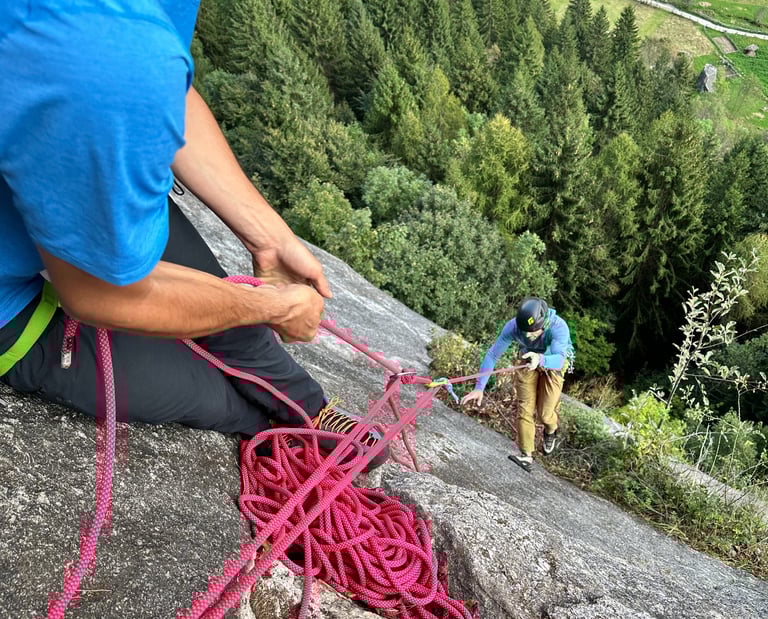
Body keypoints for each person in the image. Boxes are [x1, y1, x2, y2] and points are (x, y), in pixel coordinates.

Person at [0, 2, 387, 468]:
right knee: (208, 394)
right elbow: (99, 294)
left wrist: (268, 236)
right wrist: (275, 305)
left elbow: (168, 91)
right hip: (12, 304)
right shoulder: (97, 45)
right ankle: (275, 431)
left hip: (68, 167)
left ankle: (310, 410)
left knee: (238, 329)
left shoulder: (125, 36)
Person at [461, 297, 573, 471]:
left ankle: (551, 430)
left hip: (551, 363)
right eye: (525, 331)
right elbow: (492, 355)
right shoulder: (513, 326)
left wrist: (541, 358)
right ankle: (526, 455)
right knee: (525, 407)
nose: (528, 335)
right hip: (527, 361)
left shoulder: (558, 327)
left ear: (543, 323)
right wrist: (479, 387)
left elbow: (559, 359)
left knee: (545, 414)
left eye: (533, 331)